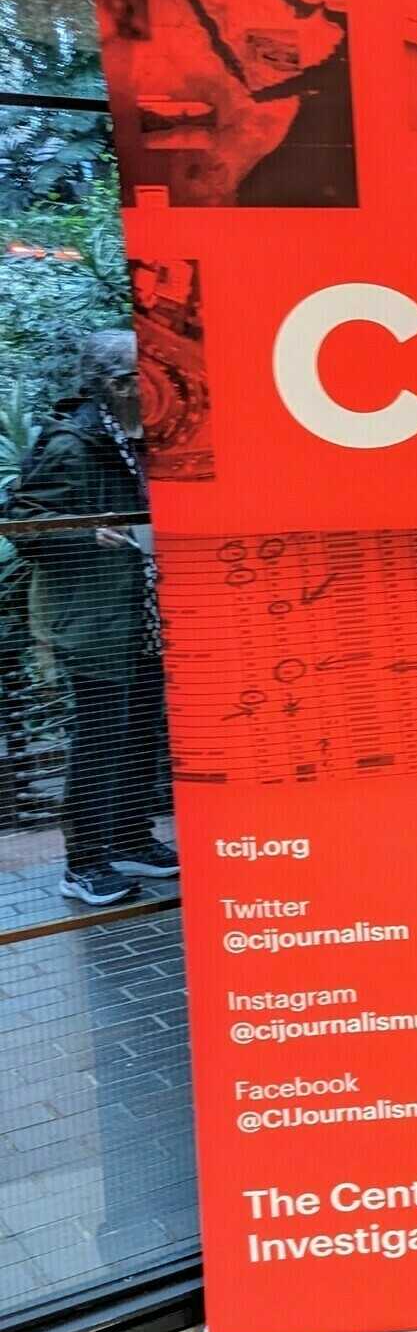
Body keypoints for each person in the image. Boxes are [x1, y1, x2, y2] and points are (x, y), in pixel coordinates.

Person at [9, 331, 177, 905]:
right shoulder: (72, 443)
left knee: (135, 735)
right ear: (118, 384)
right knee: (100, 741)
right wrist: (84, 536)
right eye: (146, 374)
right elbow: (24, 521)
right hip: (96, 622)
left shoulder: (140, 435)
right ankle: (82, 865)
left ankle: (130, 838)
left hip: (144, 616)